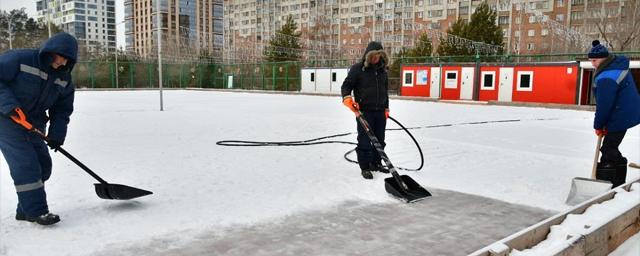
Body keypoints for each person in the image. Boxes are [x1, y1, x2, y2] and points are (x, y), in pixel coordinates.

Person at [0, 32, 78, 225]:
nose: (62, 63)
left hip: (33, 123)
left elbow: (62, 110)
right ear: (51, 51)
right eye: (61, 57)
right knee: (26, 164)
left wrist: (57, 135)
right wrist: (9, 106)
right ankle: (37, 211)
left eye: (68, 60)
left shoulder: (64, 79)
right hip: (6, 120)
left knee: (43, 165)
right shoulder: (20, 59)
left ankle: (24, 210)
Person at [588, 40, 640, 187]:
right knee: (611, 146)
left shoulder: (607, 76)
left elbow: (604, 104)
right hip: (625, 112)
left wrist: (598, 125)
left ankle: (609, 184)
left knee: (608, 149)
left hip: (621, 115)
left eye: (594, 60)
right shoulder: (616, 65)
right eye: (590, 60)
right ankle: (618, 177)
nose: (592, 63)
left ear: (604, 58)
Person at [341, 41, 391, 179]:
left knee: (380, 140)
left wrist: (386, 107)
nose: (376, 58)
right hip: (364, 111)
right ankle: (365, 167)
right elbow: (346, 85)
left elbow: (385, 91)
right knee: (364, 140)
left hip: (380, 111)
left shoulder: (383, 71)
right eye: (374, 55)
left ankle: (376, 163)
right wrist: (347, 98)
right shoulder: (358, 69)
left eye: (379, 55)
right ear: (368, 55)